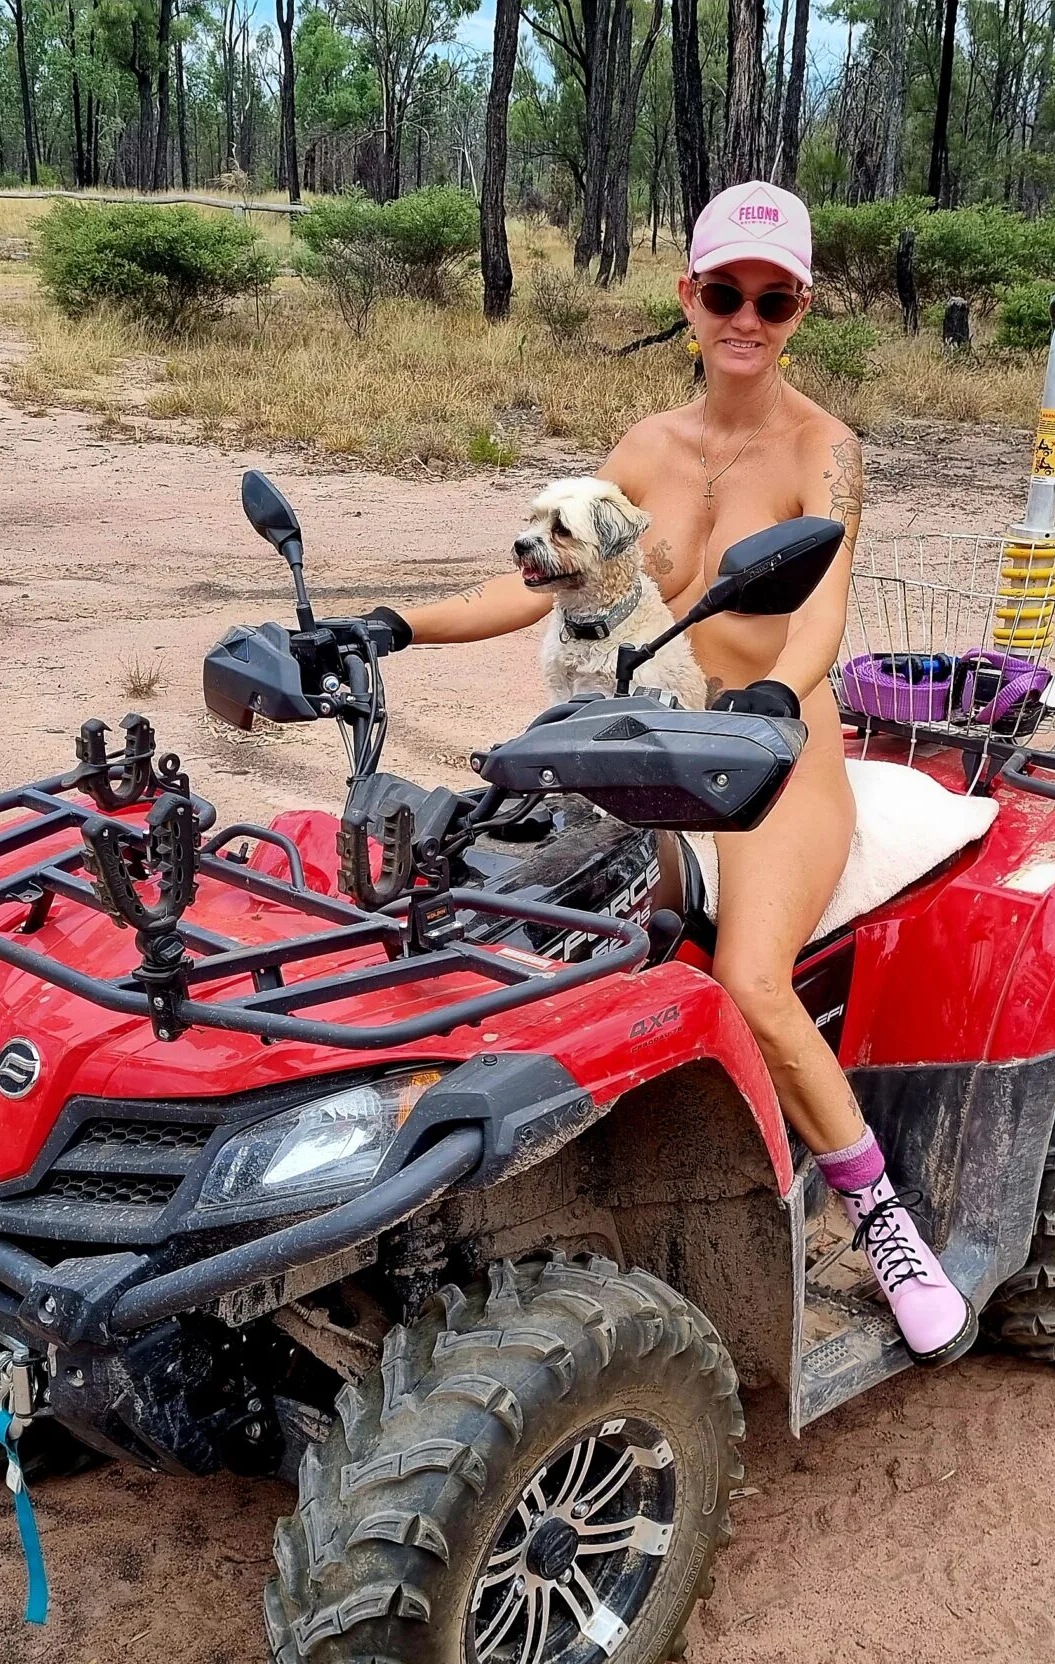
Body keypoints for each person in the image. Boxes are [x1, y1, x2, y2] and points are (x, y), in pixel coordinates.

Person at [365, 182, 974, 1366]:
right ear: (687, 297)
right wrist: (393, 624)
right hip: (650, 737)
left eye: (774, 297)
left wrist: (774, 698)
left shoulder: (824, 451)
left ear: (801, 308)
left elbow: (822, 615)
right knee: (483, 905)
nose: (746, 317)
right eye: (724, 292)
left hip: (770, 746)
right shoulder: (645, 447)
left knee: (751, 974)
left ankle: (882, 1220)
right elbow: (557, 579)